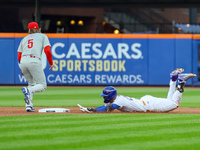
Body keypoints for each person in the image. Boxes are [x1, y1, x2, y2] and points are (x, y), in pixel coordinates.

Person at [78, 68, 196, 113]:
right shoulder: (117, 99)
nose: (103, 98)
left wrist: (92, 110)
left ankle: (180, 81)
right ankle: (173, 79)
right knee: (169, 100)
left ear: (110, 96)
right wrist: (92, 108)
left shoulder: (119, 101)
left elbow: (108, 109)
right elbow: (108, 106)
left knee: (173, 103)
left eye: (104, 96)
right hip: (145, 101)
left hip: (148, 104)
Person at [17, 22, 53, 112]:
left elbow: (19, 55)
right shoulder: (42, 36)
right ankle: (28, 92)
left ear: (29, 30)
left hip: (23, 61)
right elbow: (47, 50)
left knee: (31, 84)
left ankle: (29, 106)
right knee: (42, 85)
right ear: (38, 29)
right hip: (33, 60)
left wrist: (22, 67)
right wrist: (51, 62)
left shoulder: (24, 39)